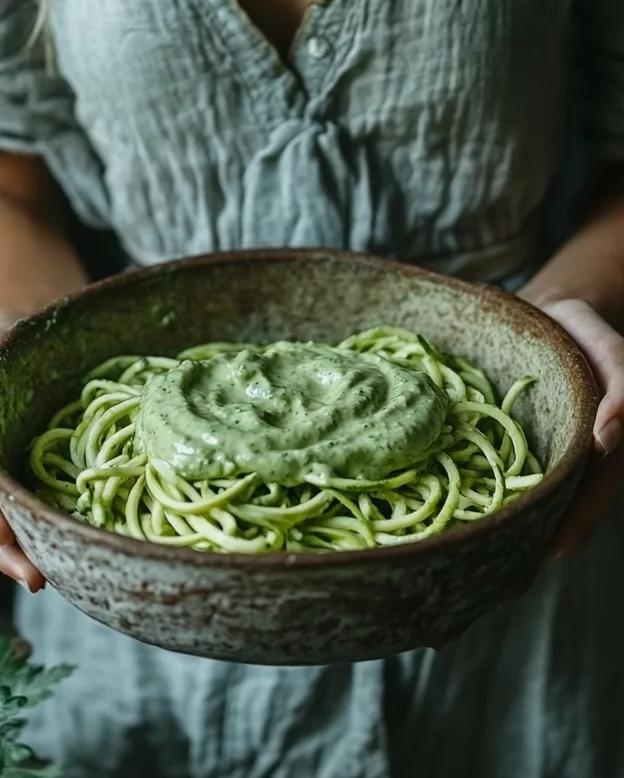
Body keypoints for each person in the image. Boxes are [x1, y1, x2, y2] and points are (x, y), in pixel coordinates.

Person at [1, 2, 624, 776]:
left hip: (503, 536)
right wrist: (28, 345)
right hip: (126, 595)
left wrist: (573, 314)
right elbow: (12, 180)